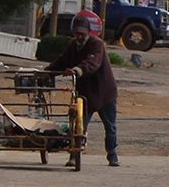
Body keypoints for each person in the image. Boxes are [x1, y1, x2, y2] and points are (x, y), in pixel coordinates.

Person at [45, 15, 120, 167]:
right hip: (85, 94)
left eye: (82, 33)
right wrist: (46, 72)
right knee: (78, 126)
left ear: (89, 32)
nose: (79, 36)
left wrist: (77, 70)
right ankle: (74, 155)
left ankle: (112, 155)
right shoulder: (73, 45)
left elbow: (93, 62)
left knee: (110, 126)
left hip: (105, 92)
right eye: (77, 33)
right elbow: (61, 61)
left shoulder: (97, 44)